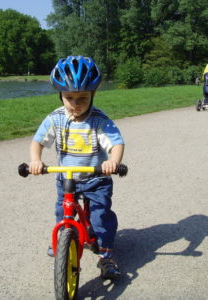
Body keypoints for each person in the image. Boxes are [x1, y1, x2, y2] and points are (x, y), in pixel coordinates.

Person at [29, 56, 125, 279]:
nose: (75, 104)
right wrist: (35, 160)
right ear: (60, 95)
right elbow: (38, 142)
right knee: (62, 212)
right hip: (67, 178)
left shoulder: (99, 120)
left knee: (100, 217)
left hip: (96, 178)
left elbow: (116, 143)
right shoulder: (56, 118)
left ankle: (106, 255)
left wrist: (113, 162)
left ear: (93, 95)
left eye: (83, 98)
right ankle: (64, 240)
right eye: (69, 97)